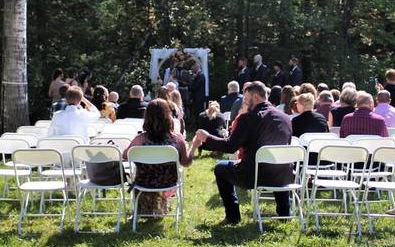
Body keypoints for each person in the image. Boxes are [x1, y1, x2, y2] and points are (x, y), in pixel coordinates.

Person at [194, 81, 292, 224]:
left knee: (220, 168)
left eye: (246, 100)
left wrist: (207, 138)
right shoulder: (285, 118)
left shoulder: (249, 118)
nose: (244, 103)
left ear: (256, 98)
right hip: (282, 176)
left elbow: (230, 146)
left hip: (254, 176)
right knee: (276, 163)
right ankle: (284, 213)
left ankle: (233, 217)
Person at [124, 99, 194, 217]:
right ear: (168, 116)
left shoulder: (140, 139)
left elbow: (125, 155)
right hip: (169, 183)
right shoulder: (177, 139)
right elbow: (186, 163)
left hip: (143, 183)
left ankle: (145, 207)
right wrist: (194, 146)